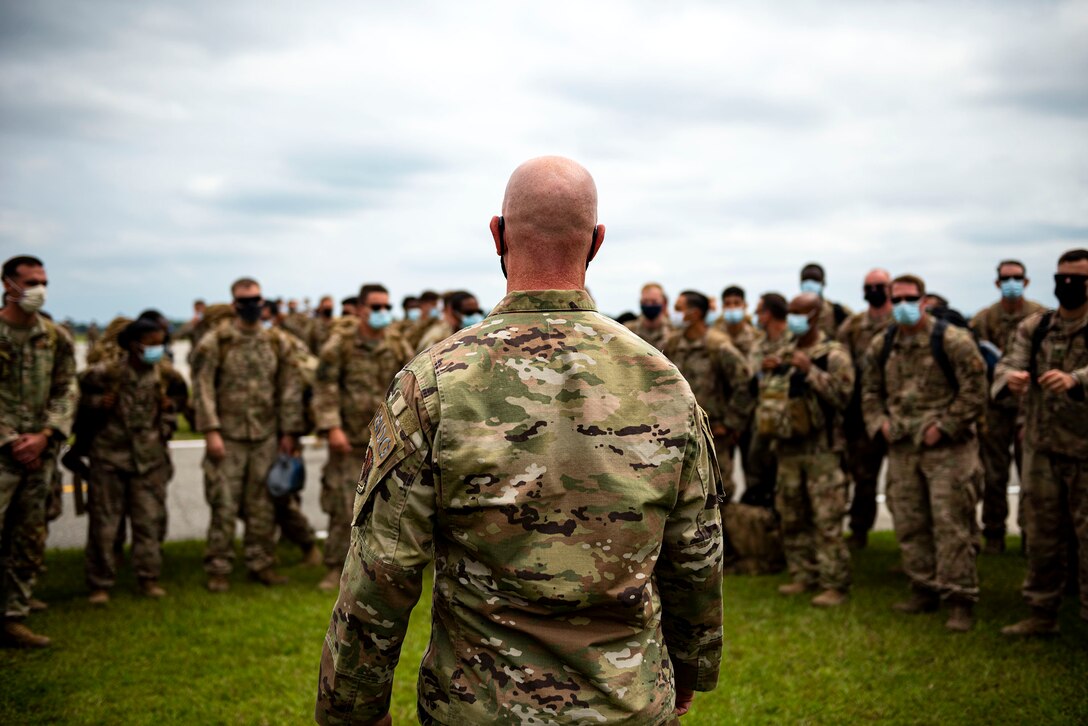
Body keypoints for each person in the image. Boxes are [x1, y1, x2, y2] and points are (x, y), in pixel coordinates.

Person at [317, 156, 724, 725]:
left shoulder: (435, 382)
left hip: (480, 708)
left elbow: (383, 567)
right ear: (597, 242)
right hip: (627, 702)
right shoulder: (664, 382)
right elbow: (695, 554)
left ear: (497, 235)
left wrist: (352, 706)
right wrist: (690, 666)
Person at [862, 274, 987, 632]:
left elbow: (976, 390)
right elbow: (869, 390)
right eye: (897, 298)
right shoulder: (883, 343)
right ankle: (923, 588)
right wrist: (879, 423)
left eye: (910, 298)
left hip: (948, 450)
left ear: (923, 300)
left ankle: (959, 599)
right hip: (903, 448)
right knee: (909, 521)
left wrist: (945, 426)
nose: (903, 305)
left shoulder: (952, 340)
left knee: (951, 524)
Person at [994, 249, 1088, 636]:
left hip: (1083, 451)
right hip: (1041, 448)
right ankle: (1041, 612)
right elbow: (1006, 363)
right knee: (1042, 533)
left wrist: (1076, 380)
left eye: (1077, 279)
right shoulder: (1038, 326)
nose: (1068, 285)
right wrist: (1010, 379)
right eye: (1062, 278)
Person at [192, 277, 305, 592]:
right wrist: (211, 430)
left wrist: (289, 432)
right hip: (228, 436)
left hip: (265, 435)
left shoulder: (276, 341)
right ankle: (218, 567)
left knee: (263, 505)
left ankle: (261, 563)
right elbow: (202, 388)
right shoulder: (216, 341)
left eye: (256, 300)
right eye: (245, 301)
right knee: (224, 504)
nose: (252, 306)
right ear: (234, 305)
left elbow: (289, 387)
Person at [312, 283, 413, 591]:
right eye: (376, 307)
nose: (382, 312)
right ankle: (335, 567)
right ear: (359, 310)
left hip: (387, 440)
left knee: (387, 507)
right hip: (350, 438)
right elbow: (325, 387)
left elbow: (410, 383)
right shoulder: (339, 345)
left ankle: (377, 569)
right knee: (344, 505)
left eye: (386, 307)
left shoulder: (396, 344)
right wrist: (332, 427)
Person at [0, 255, 77, 648]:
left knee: (28, 535)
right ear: (8, 284)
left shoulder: (55, 337)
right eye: (31, 282)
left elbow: (67, 389)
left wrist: (47, 434)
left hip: (40, 452)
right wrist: (10, 439)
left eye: (43, 282)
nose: (39, 290)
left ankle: (14, 615)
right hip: (3, 452)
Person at [78, 318, 184, 604]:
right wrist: (98, 404)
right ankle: (99, 583)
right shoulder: (106, 373)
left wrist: (170, 410)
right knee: (104, 525)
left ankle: (148, 577)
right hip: (110, 458)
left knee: (149, 522)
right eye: (151, 343)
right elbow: (77, 399)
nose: (157, 348)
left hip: (149, 460)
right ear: (134, 344)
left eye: (161, 342)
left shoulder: (164, 374)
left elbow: (181, 397)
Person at [760, 294, 854, 606]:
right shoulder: (785, 350)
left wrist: (811, 371)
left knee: (826, 518)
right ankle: (803, 574)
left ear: (815, 315)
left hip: (822, 450)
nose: (793, 319)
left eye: (800, 313)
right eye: (791, 312)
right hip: (788, 447)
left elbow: (844, 397)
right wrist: (769, 371)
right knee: (792, 515)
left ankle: (834, 583)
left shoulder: (834, 354)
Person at [970, 260, 1045, 554]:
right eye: (1005, 278)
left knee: (1032, 473)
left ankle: (1031, 535)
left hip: (1030, 407)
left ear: (1025, 282)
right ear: (997, 282)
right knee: (994, 473)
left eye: (1016, 277)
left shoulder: (1041, 318)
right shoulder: (984, 319)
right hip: (996, 407)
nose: (1011, 283)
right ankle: (994, 533)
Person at [663, 290, 754, 501]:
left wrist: (730, 424)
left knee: (718, 494)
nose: (674, 314)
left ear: (694, 313)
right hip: (680, 434)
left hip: (714, 436)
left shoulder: (718, 345)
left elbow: (744, 385)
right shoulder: (674, 344)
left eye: (679, 309)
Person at [836, 268, 894, 549]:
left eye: (879, 285)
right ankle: (859, 531)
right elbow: (841, 364)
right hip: (863, 413)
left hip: (900, 410)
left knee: (902, 481)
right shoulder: (854, 326)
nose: (873, 290)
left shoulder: (900, 322)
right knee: (863, 476)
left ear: (890, 288)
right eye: (868, 286)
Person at [742, 293, 792, 508]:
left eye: (759, 311)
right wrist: (761, 371)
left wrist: (783, 366)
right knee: (757, 473)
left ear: (768, 313)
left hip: (790, 422)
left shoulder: (794, 340)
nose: (756, 315)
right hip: (762, 422)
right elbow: (750, 379)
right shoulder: (759, 345)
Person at [415, 290, 483, 352]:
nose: (474, 316)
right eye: (468, 312)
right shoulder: (438, 336)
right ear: (451, 310)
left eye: (478, 312)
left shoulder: (465, 332)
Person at [801, 262, 852, 338]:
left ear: (823, 283)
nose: (809, 284)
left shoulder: (837, 310)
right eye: (806, 280)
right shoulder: (792, 312)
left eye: (815, 280)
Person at [713, 285, 759, 358]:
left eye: (737, 303)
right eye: (727, 304)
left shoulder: (756, 335)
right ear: (723, 307)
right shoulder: (713, 336)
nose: (732, 307)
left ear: (745, 305)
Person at [624, 282, 672, 350]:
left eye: (654, 301)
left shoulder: (673, 332)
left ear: (664, 303)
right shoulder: (627, 331)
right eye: (645, 301)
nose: (649, 305)